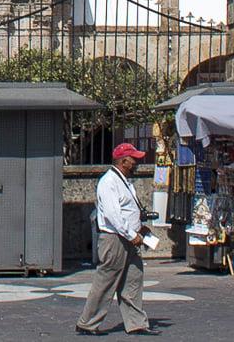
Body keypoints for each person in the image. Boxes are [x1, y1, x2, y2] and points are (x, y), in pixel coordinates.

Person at [76, 142, 159, 336]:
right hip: (115, 239)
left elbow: (127, 211)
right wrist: (132, 235)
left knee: (133, 280)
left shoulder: (125, 181)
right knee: (106, 281)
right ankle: (87, 322)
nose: (137, 163)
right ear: (124, 161)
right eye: (134, 160)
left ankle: (136, 323)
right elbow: (114, 215)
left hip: (129, 237)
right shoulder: (109, 182)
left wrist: (139, 228)